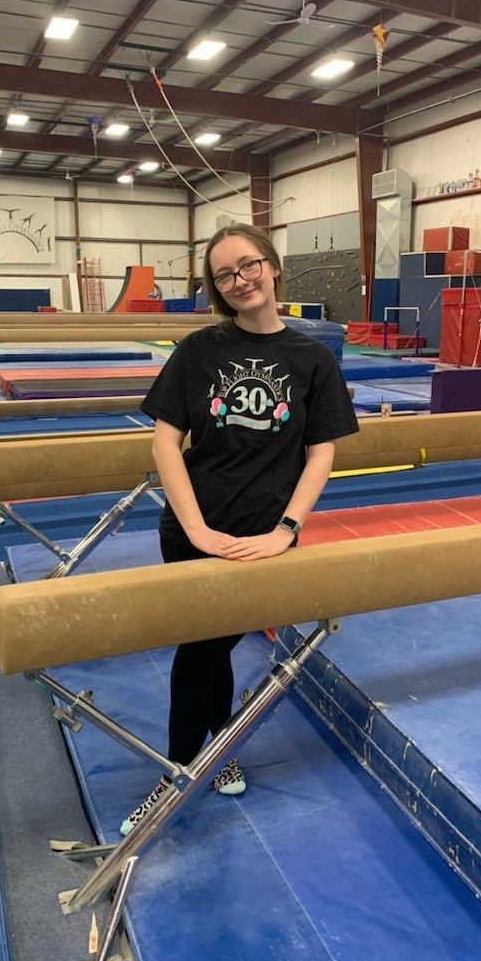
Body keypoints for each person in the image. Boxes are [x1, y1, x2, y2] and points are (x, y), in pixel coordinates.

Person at [120, 223, 359, 835]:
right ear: (217, 288)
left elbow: (322, 453)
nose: (240, 280)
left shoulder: (312, 358)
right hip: (196, 527)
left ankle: (203, 756)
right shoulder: (199, 350)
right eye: (225, 275)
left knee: (217, 643)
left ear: (273, 267)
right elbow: (166, 443)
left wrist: (287, 529)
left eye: (248, 265)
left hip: (265, 532)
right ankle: (181, 767)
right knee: (199, 645)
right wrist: (196, 528)